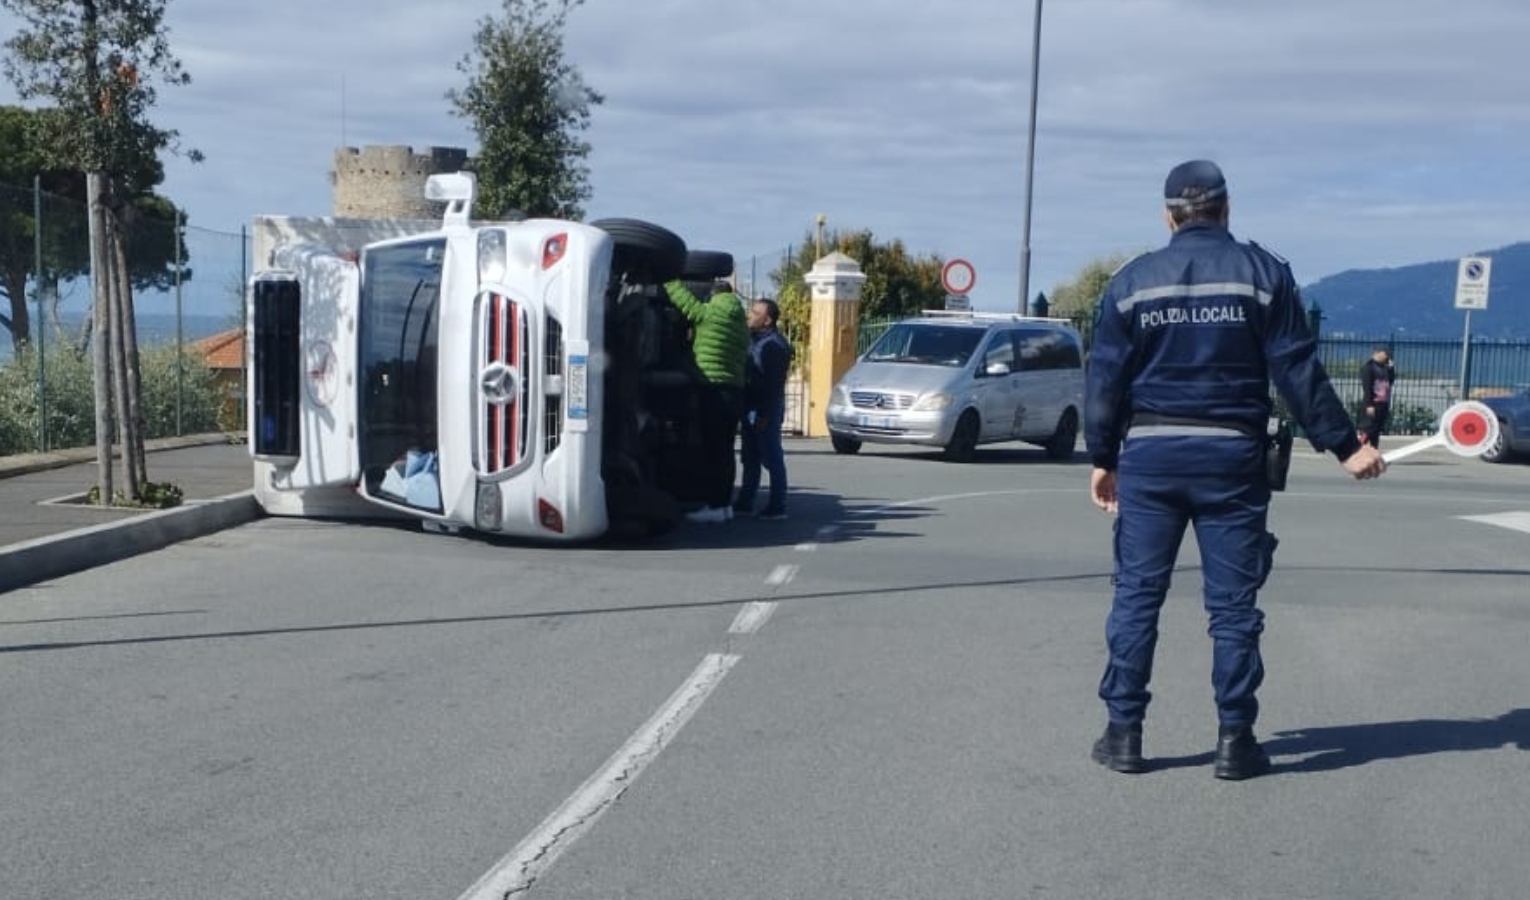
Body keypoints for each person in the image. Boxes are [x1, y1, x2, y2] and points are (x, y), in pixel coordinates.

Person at [1084, 159, 1387, 781]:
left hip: (1151, 456)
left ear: (1168, 216)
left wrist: (1101, 457)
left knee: (1138, 596)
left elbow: (1105, 377)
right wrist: (1345, 446)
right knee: (1232, 607)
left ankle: (1123, 735)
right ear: (1226, 208)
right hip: (1231, 458)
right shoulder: (1263, 274)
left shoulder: (1133, 281)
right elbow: (1296, 369)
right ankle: (1234, 739)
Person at [662, 278, 750, 523]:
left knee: (711, 451)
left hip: (713, 389)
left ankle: (713, 507)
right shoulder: (741, 323)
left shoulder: (711, 312)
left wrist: (669, 278)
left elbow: (685, 302)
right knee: (725, 450)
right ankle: (724, 506)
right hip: (735, 392)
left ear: (713, 295)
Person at [734, 298, 794, 520]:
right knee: (749, 456)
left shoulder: (774, 346)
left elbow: (773, 385)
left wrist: (764, 414)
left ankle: (778, 505)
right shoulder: (755, 340)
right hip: (751, 405)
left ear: (767, 320)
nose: (750, 314)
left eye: (755, 312)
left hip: (765, 407)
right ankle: (745, 501)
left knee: (771, 456)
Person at [1359, 345, 1396, 448]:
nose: (1387, 357)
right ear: (1378, 353)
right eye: (1386, 354)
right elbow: (1367, 387)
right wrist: (1369, 404)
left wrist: (1391, 369)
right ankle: (1357, 450)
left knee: (1376, 431)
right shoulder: (1368, 367)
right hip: (1373, 402)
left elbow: (1390, 381)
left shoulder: (1385, 368)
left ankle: (1374, 450)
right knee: (1368, 429)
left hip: (1383, 402)